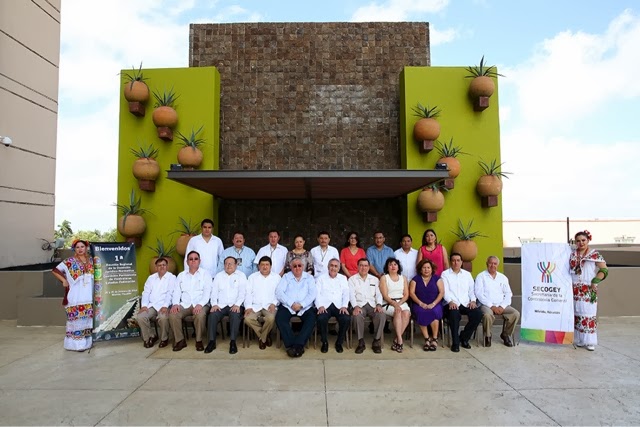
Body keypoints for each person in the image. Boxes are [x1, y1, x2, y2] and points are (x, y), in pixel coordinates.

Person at [51, 239, 94, 352]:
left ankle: (87, 342)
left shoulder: (92, 260)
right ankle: (76, 344)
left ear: (86, 248)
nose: (80, 249)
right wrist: (64, 280)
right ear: (74, 249)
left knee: (87, 318)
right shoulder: (69, 261)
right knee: (77, 318)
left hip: (89, 294)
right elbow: (55, 270)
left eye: (82, 247)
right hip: (76, 294)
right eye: (77, 247)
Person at [570, 230, 608, 351]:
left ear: (588, 240)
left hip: (587, 289)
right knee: (577, 314)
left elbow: (604, 270)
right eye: (578, 241)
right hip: (574, 288)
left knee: (588, 314)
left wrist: (595, 281)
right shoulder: (571, 254)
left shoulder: (594, 254)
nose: (581, 243)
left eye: (583, 240)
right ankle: (581, 340)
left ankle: (590, 341)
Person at [169, 250, 212, 352]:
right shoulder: (181, 275)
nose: (193, 261)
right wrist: (175, 304)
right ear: (187, 262)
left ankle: (199, 340)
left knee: (200, 315)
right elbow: (176, 292)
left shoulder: (205, 274)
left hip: (201, 303)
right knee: (173, 314)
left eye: (196, 259)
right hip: (185, 304)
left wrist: (200, 304)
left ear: (199, 261)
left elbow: (207, 292)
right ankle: (180, 341)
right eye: (191, 259)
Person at [275, 257, 317, 357]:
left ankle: (297, 346)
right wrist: (291, 303)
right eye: (294, 266)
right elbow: (279, 292)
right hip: (288, 306)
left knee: (311, 319)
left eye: (299, 265)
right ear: (290, 267)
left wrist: (301, 304)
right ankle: (292, 345)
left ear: (303, 266)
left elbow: (312, 294)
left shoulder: (309, 278)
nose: (297, 268)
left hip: (305, 306)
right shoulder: (286, 277)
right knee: (280, 318)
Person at [474, 256, 520, 348]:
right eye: (491, 263)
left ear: (497, 265)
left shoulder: (503, 278)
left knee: (515, 314)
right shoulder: (481, 276)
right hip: (486, 305)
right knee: (487, 315)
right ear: (487, 264)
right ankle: (487, 336)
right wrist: (492, 306)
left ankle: (506, 334)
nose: (492, 265)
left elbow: (508, 293)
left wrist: (502, 306)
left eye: (495, 264)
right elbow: (479, 294)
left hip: (501, 305)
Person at [441, 252, 483, 352]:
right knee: (454, 316)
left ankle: (464, 338)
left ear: (461, 262)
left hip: (465, 303)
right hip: (451, 303)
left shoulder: (467, 275)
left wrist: (473, 301)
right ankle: (455, 343)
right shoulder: (445, 274)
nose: (456, 262)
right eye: (453, 260)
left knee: (477, 314)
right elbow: (444, 291)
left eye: (458, 260)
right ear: (451, 262)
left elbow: (471, 290)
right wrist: (450, 301)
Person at [206, 257, 247, 354]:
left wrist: (237, 305)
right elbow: (214, 292)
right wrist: (214, 304)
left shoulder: (241, 276)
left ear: (236, 265)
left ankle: (233, 342)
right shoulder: (218, 276)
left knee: (235, 315)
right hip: (221, 305)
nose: (228, 265)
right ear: (224, 265)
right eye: (226, 263)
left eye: (231, 263)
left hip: (235, 305)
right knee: (212, 315)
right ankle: (212, 341)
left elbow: (243, 292)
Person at [136, 257, 176, 349]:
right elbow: (146, 292)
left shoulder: (171, 277)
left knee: (163, 317)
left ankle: (164, 338)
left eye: (164, 265)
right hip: (152, 305)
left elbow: (170, 293)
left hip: (165, 305)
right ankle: (149, 337)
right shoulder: (151, 278)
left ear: (167, 266)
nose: (162, 267)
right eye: (159, 265)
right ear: (156, 267)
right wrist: (144, 306)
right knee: (141, 316)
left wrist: (166, 306)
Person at [348, 258, 386, 354]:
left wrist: (378, 304)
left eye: (365, 265)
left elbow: (378, 294)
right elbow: (351, 295)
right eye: (361, 265)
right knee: (357, 316)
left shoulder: (374, 279)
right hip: (359, 304)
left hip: (372, 305)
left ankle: (376, 341)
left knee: (381, 315)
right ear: (357, 267)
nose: (363, 268)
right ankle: (361, 342)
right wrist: (355, 306)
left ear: (369, 267)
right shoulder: (352, 279)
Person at [315, 258, 351, 353]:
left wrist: (344, 306)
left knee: (346, 318)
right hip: (325, 305)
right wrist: (320, 306)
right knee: (321, 318)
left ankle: (339, 342)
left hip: (339, 305)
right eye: (331, 265)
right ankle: (324, 342)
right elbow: (317, 293)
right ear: (328, 267)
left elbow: (346, 293)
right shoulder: (320, 278)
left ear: (339, 268)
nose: (333, 268)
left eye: (335, 266)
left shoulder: (343, 278)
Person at [245, 256, 280, 349]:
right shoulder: (252, 277)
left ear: (270, 266)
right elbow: (248, 293)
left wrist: (274, 303)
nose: (265, 267)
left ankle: (262, 339)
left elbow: (279, 293)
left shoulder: (277, 277)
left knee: (271, 318)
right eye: (262, 265)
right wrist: (248, 307)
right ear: (258, 266)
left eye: (267, 265)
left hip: (270, 306)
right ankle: (265, 336)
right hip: (255, 306)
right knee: (247, 319)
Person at [410, 259, 444, 351]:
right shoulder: (415, 279)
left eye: (428, 267)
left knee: (434, 311)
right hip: (419, 304)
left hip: (435, 303)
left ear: (432, 269)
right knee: (421, 312)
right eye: (424, 268)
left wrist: (433, 304)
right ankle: (427, 339)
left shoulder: (437, 279)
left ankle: (435, 338)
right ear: (420, 269)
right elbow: (412, 293)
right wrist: (420, 303)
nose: (426, 269)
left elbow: (441, 293)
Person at [379, 258, 411, 353]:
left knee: (406, 313)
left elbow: (406, 295)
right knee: (398, 312)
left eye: (395, 264)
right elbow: (385, 295)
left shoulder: (403, 278)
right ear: (387, 267)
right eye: (390, 264)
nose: (393, 266)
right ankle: (400, 341)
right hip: (388, 303)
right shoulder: (384, 278)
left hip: (401, 302)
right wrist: (395, 304)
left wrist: (399, 304)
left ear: (398, 267)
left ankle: (397, 339)